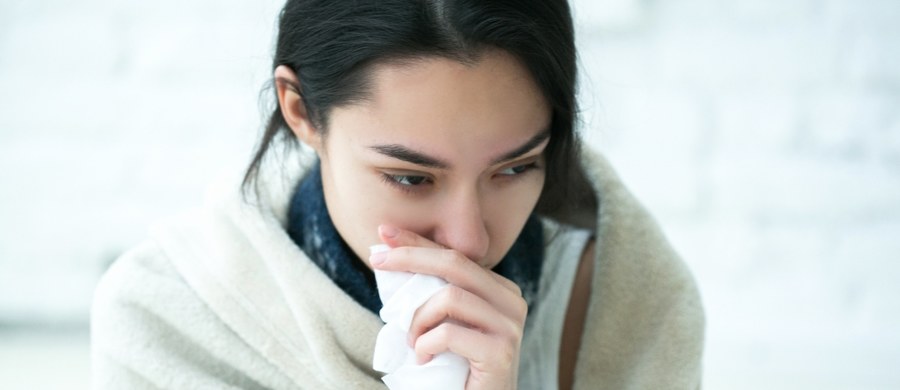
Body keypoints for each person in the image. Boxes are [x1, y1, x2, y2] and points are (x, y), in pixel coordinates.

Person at [91, 0, 705, 389]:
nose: (468, 239)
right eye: (411, 179)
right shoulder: (166, 319)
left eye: (515, 168)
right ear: (301, 112)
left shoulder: (622, 298)